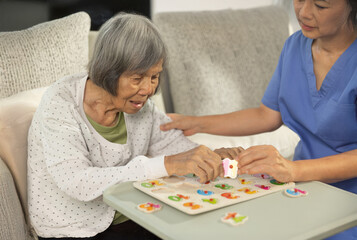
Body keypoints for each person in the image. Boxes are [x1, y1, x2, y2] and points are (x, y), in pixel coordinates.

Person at [27, 13, 241, 240]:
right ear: (109, 70)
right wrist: (164, 165)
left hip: (132, 214)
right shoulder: (61, 103)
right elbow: (76, 181)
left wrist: (208, 157)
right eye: (137, 78)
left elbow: (171, 144)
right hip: (74, 228)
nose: (148, 89)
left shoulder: (139, 105)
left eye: (154, 76)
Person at [160, 0, 357, 239]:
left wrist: (293, 169)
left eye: (320, 5)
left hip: (347, 198)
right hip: (301, 187)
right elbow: (267, 115)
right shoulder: (295, 47)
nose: (304, 12)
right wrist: (197, 123)